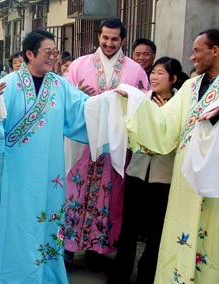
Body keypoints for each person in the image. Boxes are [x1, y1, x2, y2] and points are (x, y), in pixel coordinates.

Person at [117, 29, 219, 284]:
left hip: (217, 186)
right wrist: (136, 101)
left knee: (213, 240)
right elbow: (165, 124)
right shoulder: (190, 87)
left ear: (216, 51)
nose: (192, 57)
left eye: (197, 50)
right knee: (179, 237)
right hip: (184, 181)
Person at [0, 29, 90, 284]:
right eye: (48, 53)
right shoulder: (10, 83)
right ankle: (16, 274)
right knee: (17, 219)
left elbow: (83, 111)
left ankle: (47, 274)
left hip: (50, 172)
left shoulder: (60, 85)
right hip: (18, 171)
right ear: (29, 54)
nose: (53, 58)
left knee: (47, 218)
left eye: (55, 53)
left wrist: (110, 102)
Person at [63, 17, 149, 270]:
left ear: (123, 40)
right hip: (83, 145)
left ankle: (98, 248)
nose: (109, 43)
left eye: (115, 39)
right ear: (98, 37)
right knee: (73, 193)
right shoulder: (79, 65)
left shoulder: (136, 71)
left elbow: (145, 103)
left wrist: (129, 98)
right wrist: (79, 95)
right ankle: (67, 248)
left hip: (115, 147)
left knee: (110, 198)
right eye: (105, 37)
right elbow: (65, 98)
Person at [110, 57, 189, 284]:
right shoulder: (141, 100)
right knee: (129, 229)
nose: (154, 77)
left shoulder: (179, 107)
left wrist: (165, 120)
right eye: (153, 72)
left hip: (163, 178)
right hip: (137, 172)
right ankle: (120, 274)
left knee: (157, 232)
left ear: (173, 79)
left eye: (160, 73)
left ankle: (148, 275)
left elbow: (180, 138)